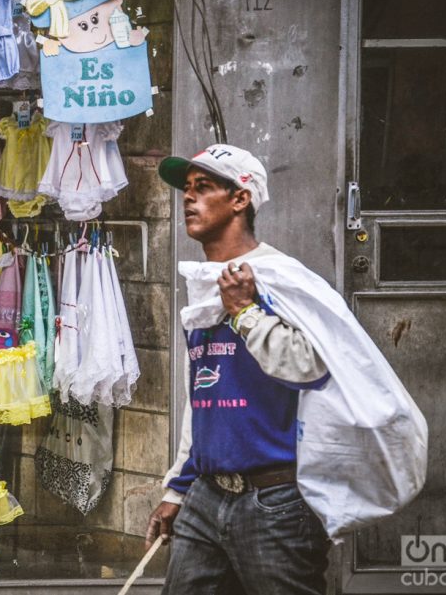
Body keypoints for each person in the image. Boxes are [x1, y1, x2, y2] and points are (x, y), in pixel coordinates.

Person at [147, 143, 332, 594]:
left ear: (240, 199)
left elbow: (312, 366)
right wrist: (178, 488)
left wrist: (246, 313)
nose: (188, 198)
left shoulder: (280, 278)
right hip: (206, 496)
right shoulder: (208, 284)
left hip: (274, 501)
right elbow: (204, 400)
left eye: (203, 187)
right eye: (187, 189)